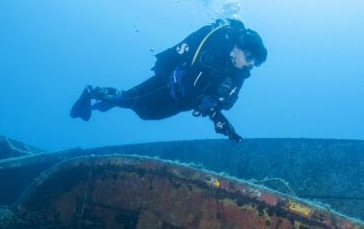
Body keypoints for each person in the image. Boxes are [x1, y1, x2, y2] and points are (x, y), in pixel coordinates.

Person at [70, 18, 267, 142]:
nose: (251, 65)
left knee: (145, 113)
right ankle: (92, 92)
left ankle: (109, 102)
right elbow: (192, 89)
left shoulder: (237, 73)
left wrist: (217, 115)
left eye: (255, 62)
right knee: (133, 101)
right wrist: (216, 116)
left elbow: (226, 102)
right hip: (167, 85)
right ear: (237, 48)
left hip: (179, 103)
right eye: (250, 58)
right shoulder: (211, 56)